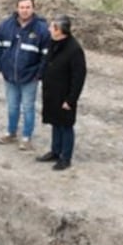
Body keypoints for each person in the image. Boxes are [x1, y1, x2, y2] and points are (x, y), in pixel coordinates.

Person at [0, 0, 50, 151]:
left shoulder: (42, 30)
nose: (25, 10)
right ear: (17, 8)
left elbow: (46, 55)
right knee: (12, 106)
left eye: (28, 7)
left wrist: (39, 74)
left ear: (33, 8)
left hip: (30, 78)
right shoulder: (5, 26)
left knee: (28, 108)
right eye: (22, 7)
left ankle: (26, 137)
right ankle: (11, 133)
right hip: (10, 76)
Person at [36, 15, 87, 171]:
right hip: (52, 92)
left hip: (64, 95)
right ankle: (55, 151)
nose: (49, 29)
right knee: (55, 123)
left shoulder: (74, 49)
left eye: (52, 27)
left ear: (59, 30)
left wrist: (71, 100)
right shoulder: (54, 43)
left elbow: (79, 77)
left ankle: (66, 157)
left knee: (65, 126)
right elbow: (46, 60)